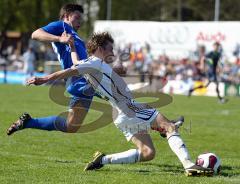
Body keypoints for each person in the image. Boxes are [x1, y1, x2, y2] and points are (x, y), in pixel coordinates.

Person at [27, 32, 213, 177]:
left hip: (119, 115)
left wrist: (73, 45)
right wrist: (45, 78)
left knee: (148, 153)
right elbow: (68, 70)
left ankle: (103, 160)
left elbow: (75, 62)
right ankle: (189, 165)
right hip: (128, 107)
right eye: (110, 49)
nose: (113, 53)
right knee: (170, 126)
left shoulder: (90, 63)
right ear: (100, 48)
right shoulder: (94, 63)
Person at [7, 3, 96, 135]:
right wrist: (59, 38)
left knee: (71, 126)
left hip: (85, 79)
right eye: (77, 18)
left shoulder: (75, 36)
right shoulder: (62, 26)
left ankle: (28, 122)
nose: (80, 22)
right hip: (80, 82)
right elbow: (36, 34)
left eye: (81, 20)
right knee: (118, 97)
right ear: (66, 16)